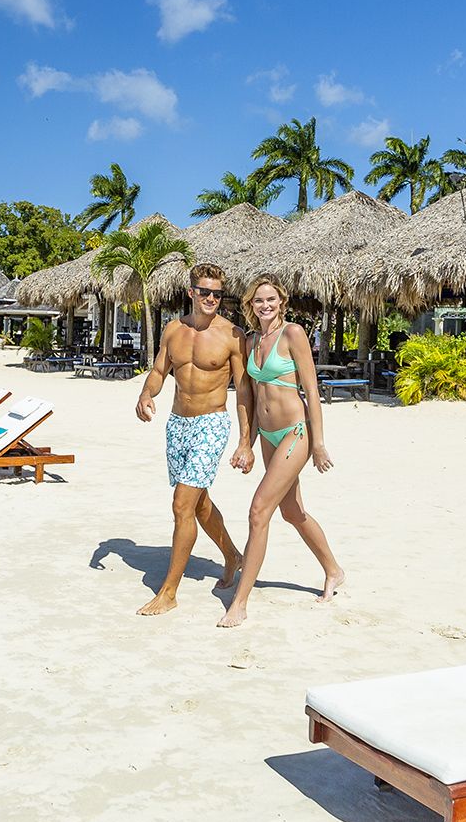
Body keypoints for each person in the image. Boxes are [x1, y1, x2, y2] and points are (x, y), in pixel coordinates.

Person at [222, 276, 346, 628]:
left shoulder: (293, 335)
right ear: (251, 305)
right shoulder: (250, 341)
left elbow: (311, 389)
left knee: (259, 510)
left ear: (282, 302)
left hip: (295, 432)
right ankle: (333, 570)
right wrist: (245, 441)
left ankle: (240, 602)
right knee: (292, 511)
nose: (265, 305)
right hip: (267, 436)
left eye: (271, 299)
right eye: (259, 300)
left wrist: (319, 443)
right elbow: (245, 394)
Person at [132, 262, 246, 616]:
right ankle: (232, 555)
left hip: (212, 424)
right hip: (178, 424)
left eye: (218, 293)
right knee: (197, 503)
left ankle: (169, 592)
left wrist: (245, 441)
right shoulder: (173, 330)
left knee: (181, 504)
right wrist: (146, 394)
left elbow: (244, 390)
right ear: (191, 292)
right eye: (206, 292)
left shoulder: (232, 335)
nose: (212, 298)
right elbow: (159, 371)